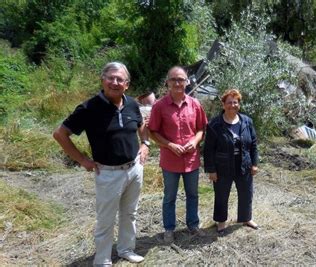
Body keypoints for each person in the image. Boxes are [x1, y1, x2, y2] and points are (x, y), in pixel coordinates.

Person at [53, 62, 149, 265]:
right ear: (102, 80)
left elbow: (141, 125)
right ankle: (103, 260)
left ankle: (125, 249)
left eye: (119, 79)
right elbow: (60, 134)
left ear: (127, 84)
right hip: (108, 173)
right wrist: (82, 160)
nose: (115, 82)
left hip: (134, 168)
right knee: (106, 220)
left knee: (130, 213)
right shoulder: (89, 108)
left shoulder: (132, 103)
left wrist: (146, 143)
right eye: (110, 78)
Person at [148, 66, 208, 242]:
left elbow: (201, 129)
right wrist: (169, 145)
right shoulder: (159, 106)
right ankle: (169, 228)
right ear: (167, 82)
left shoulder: (195, 104)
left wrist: (194, 142)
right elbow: (153, 131)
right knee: (169, 197)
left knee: (193, 194)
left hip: (191, 159)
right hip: (170, 160)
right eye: (173, 79)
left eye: (181, 79)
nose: (177, 83)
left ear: (187, 82)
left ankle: (193, 225)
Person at [203, 89, 259, 234]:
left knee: (246, 192)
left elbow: (253, 144)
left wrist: (254, 164)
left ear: (239, 104)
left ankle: (246, 218)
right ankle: (221, 221)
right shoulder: (214, 124)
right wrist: (211, 170)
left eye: (235, 102)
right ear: (223, 104)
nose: (232, 105)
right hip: (222, 166)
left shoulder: (247, 121)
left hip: (244, 164)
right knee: (221, 194)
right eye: (229, 102)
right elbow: (208, 149)